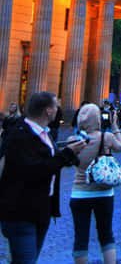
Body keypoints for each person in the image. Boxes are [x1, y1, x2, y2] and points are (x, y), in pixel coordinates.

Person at [0, 91, 87, 263]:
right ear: (48, 111)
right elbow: (34, 170)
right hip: (20, 211)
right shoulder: (20, 135)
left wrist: (70, 155)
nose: (58, 110)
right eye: (56, 106)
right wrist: (67, 153)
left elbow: (49, 161)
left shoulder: (43, 133)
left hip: (40, 210)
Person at [70, 103, 121, 264]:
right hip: (103, 193)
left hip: (79, 192)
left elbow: (67, 162)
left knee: (80, 237)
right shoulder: (106, 137)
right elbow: (120, 147)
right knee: (106, 235)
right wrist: (115, 126)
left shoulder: (73, 140)